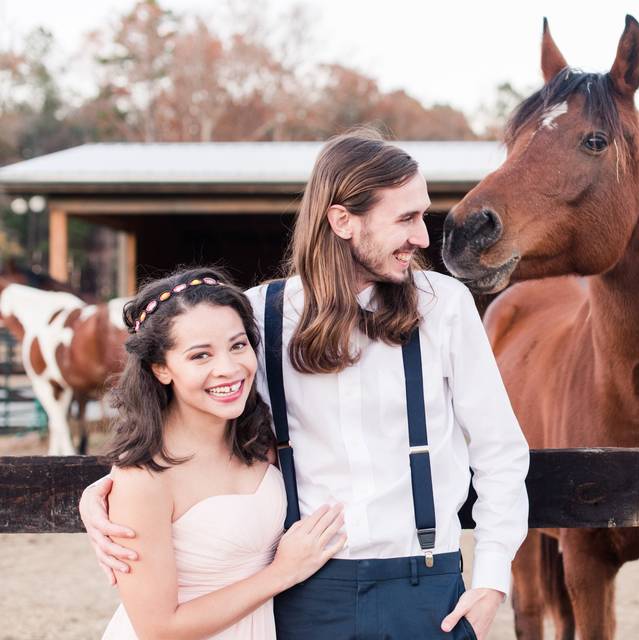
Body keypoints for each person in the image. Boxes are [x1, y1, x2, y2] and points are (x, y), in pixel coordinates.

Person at [81, 132, 531, 639]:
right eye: (405, 219)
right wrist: (111, 492)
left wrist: (492, 580)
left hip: (427, 589)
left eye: (422, 215)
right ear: (342, 220)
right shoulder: (257, 315)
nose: (423, 238)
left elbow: (500, 452)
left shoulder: (442, 305)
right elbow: (189, 424)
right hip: (303, 593)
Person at [97, 268, 346, 640]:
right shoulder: (142, 478)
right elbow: (158, 627)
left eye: (238, 345)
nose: (228, 369)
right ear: (161, 368)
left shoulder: (261, 442)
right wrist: (283, 572)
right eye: (200, 356)